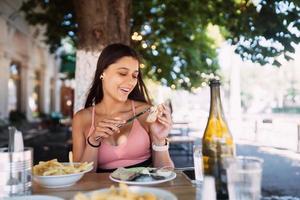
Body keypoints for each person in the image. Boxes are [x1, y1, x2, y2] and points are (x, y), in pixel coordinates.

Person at [72, 43, 174, 172]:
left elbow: (166, 173)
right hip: (102, 192)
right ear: (102, 73)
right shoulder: (82, 118)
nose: (131, 82)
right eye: (122, 73)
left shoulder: (145, 113)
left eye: (134, 75)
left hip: (143, 190)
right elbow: (80, 178)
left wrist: (160, 140)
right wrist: (93, 141)